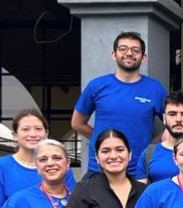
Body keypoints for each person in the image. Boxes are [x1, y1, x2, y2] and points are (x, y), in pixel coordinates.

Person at [71, 31, 167, 173]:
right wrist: (101, 139)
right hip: (100, 169)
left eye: (135, 50)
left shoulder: (155, 89)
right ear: (113, 54)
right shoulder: (97, 85)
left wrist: (151, 145)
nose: (129, 53)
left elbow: (172, 124)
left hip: (138, 169)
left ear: (144, 57)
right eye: (123, 49)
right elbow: (77, 123)